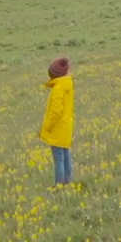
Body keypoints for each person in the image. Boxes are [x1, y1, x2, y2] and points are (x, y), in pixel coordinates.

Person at [40, 56, 75, 186]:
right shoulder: (67, 85)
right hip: (65, 127)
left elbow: (55, 112)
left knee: (59, 159)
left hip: (57, 129)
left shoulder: (58, 89)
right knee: (66, 156)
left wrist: (47, 127)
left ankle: (59, 186)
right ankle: (67, 183)